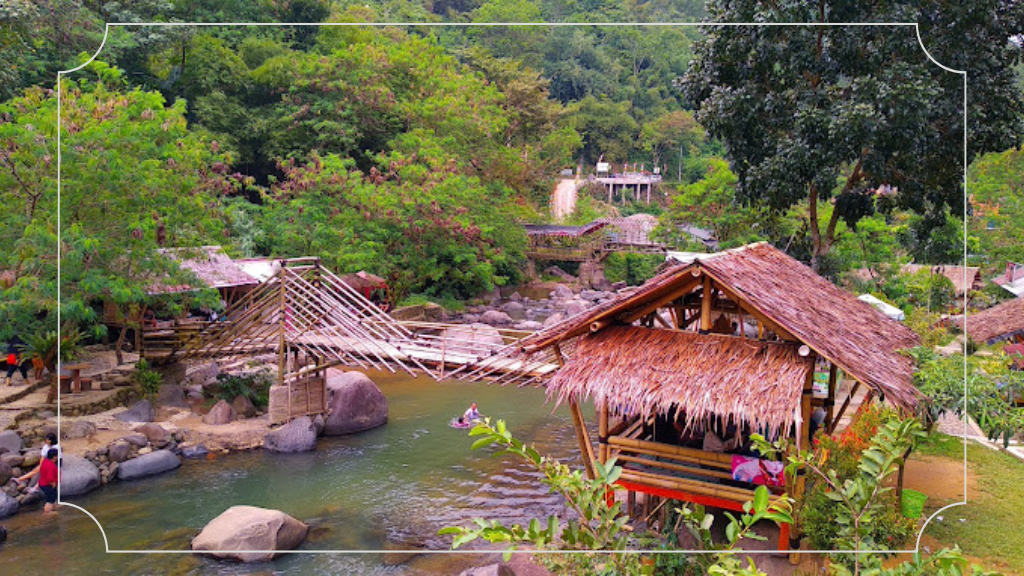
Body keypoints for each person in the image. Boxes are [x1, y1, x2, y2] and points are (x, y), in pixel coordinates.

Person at [37, 448, 59, 514]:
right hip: (47, 484)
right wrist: (53, 484)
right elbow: (50, 477)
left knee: (53, 496)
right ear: (54, 457)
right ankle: (47, 512)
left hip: (43, 483)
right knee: (50, 499)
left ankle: (54, 507)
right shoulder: (51, 465)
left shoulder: (45, 461)